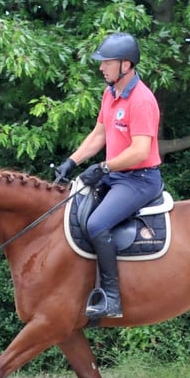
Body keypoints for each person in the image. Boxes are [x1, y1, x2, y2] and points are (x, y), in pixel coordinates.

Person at [54, 32, 163, 320]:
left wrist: (104, 168)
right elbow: (100, 134)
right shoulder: (110, 94)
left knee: (98, 223)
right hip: (116, 176)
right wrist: (72, 161)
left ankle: (111, 299)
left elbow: (140, 150)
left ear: (126, 64)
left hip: (139, 180)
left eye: (107, 63)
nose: (101, 68)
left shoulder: (142, 100)